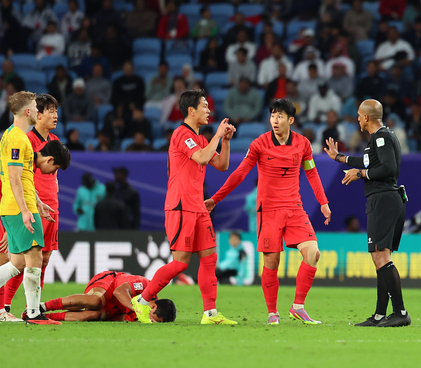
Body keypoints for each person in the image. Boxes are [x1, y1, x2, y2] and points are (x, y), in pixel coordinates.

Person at [205, 98, 332, 325]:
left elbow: (311, 173)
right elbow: (240, 173)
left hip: (294, 207)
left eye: (280, 116)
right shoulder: (259, 144)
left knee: (313, 254)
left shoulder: (303, 144)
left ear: (290, 120)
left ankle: (298, 307)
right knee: (271, 262)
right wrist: (216, 198)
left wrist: (323, 202)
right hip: (269, 210)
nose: (275, 120)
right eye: (272, 115)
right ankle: (273, 313)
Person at [131, 89, 237, 325]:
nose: (209, 110)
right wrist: (218, 135)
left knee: (209, 259)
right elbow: (200, 158)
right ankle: (140, 302)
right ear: (191, 110)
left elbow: (221, 164)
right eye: (204, 106)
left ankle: (210, 314)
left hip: (198, 206)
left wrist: (225, 141)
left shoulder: (200, 139)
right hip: (180, 206)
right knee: (180, 262)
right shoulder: (181, 134)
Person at [0, 91, 63, 325]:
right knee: (28, 257)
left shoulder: (12, 136)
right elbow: (14, 179)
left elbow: (22, 177)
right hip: (11, 206)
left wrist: (36, 202)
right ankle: (28, 312)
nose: (39, 111)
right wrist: (26, 211)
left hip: (16, 205)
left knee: (16, 262)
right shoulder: (18, 139)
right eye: (37, 108)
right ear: (29, 112)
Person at [324, 99, 411, 327]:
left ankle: (400, 312)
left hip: (383, 200)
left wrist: (361, 174)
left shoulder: (380, 137)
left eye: (358, 115)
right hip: (387, 199)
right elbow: (368, 161)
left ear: (365, 117)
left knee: (381, 257)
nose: (357, 118)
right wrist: (339, 158)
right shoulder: (381, 137)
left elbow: (388, 168)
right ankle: (380, 315)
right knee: (380, 257)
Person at [0, 140, 71, 322]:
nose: (53, 173)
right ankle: (16, 312)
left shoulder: (27, 160)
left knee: (16, 262)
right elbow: (13, 185)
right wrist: (19, 217)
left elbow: (23, 185)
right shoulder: (23, 158)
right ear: (49, 160)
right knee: (23, 258)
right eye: (55, 169)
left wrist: (38, 204)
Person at [3, 94, 65, 312]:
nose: (55, 115)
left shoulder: (55, 142)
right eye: (50, 111)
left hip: (51, 206)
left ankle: (34, 304)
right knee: (26, 260)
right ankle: (5, 304)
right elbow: (16, 176)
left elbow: (54, 173)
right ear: (37, 114)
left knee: (44, 258)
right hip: (31, 205)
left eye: (56, 111)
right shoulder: (26, 139)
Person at [40, 271, 176, 323]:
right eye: (152, 317)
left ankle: (45, 318)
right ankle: (42, 307)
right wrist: (136, 308)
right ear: (153, 305)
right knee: (96, 301)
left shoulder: (141, 317)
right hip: (109, 283)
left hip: (114, 306)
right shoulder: (147, 286)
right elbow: (119, 291)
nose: (149, 319)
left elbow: (118, 318)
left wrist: (112, 317)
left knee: (94, 316)